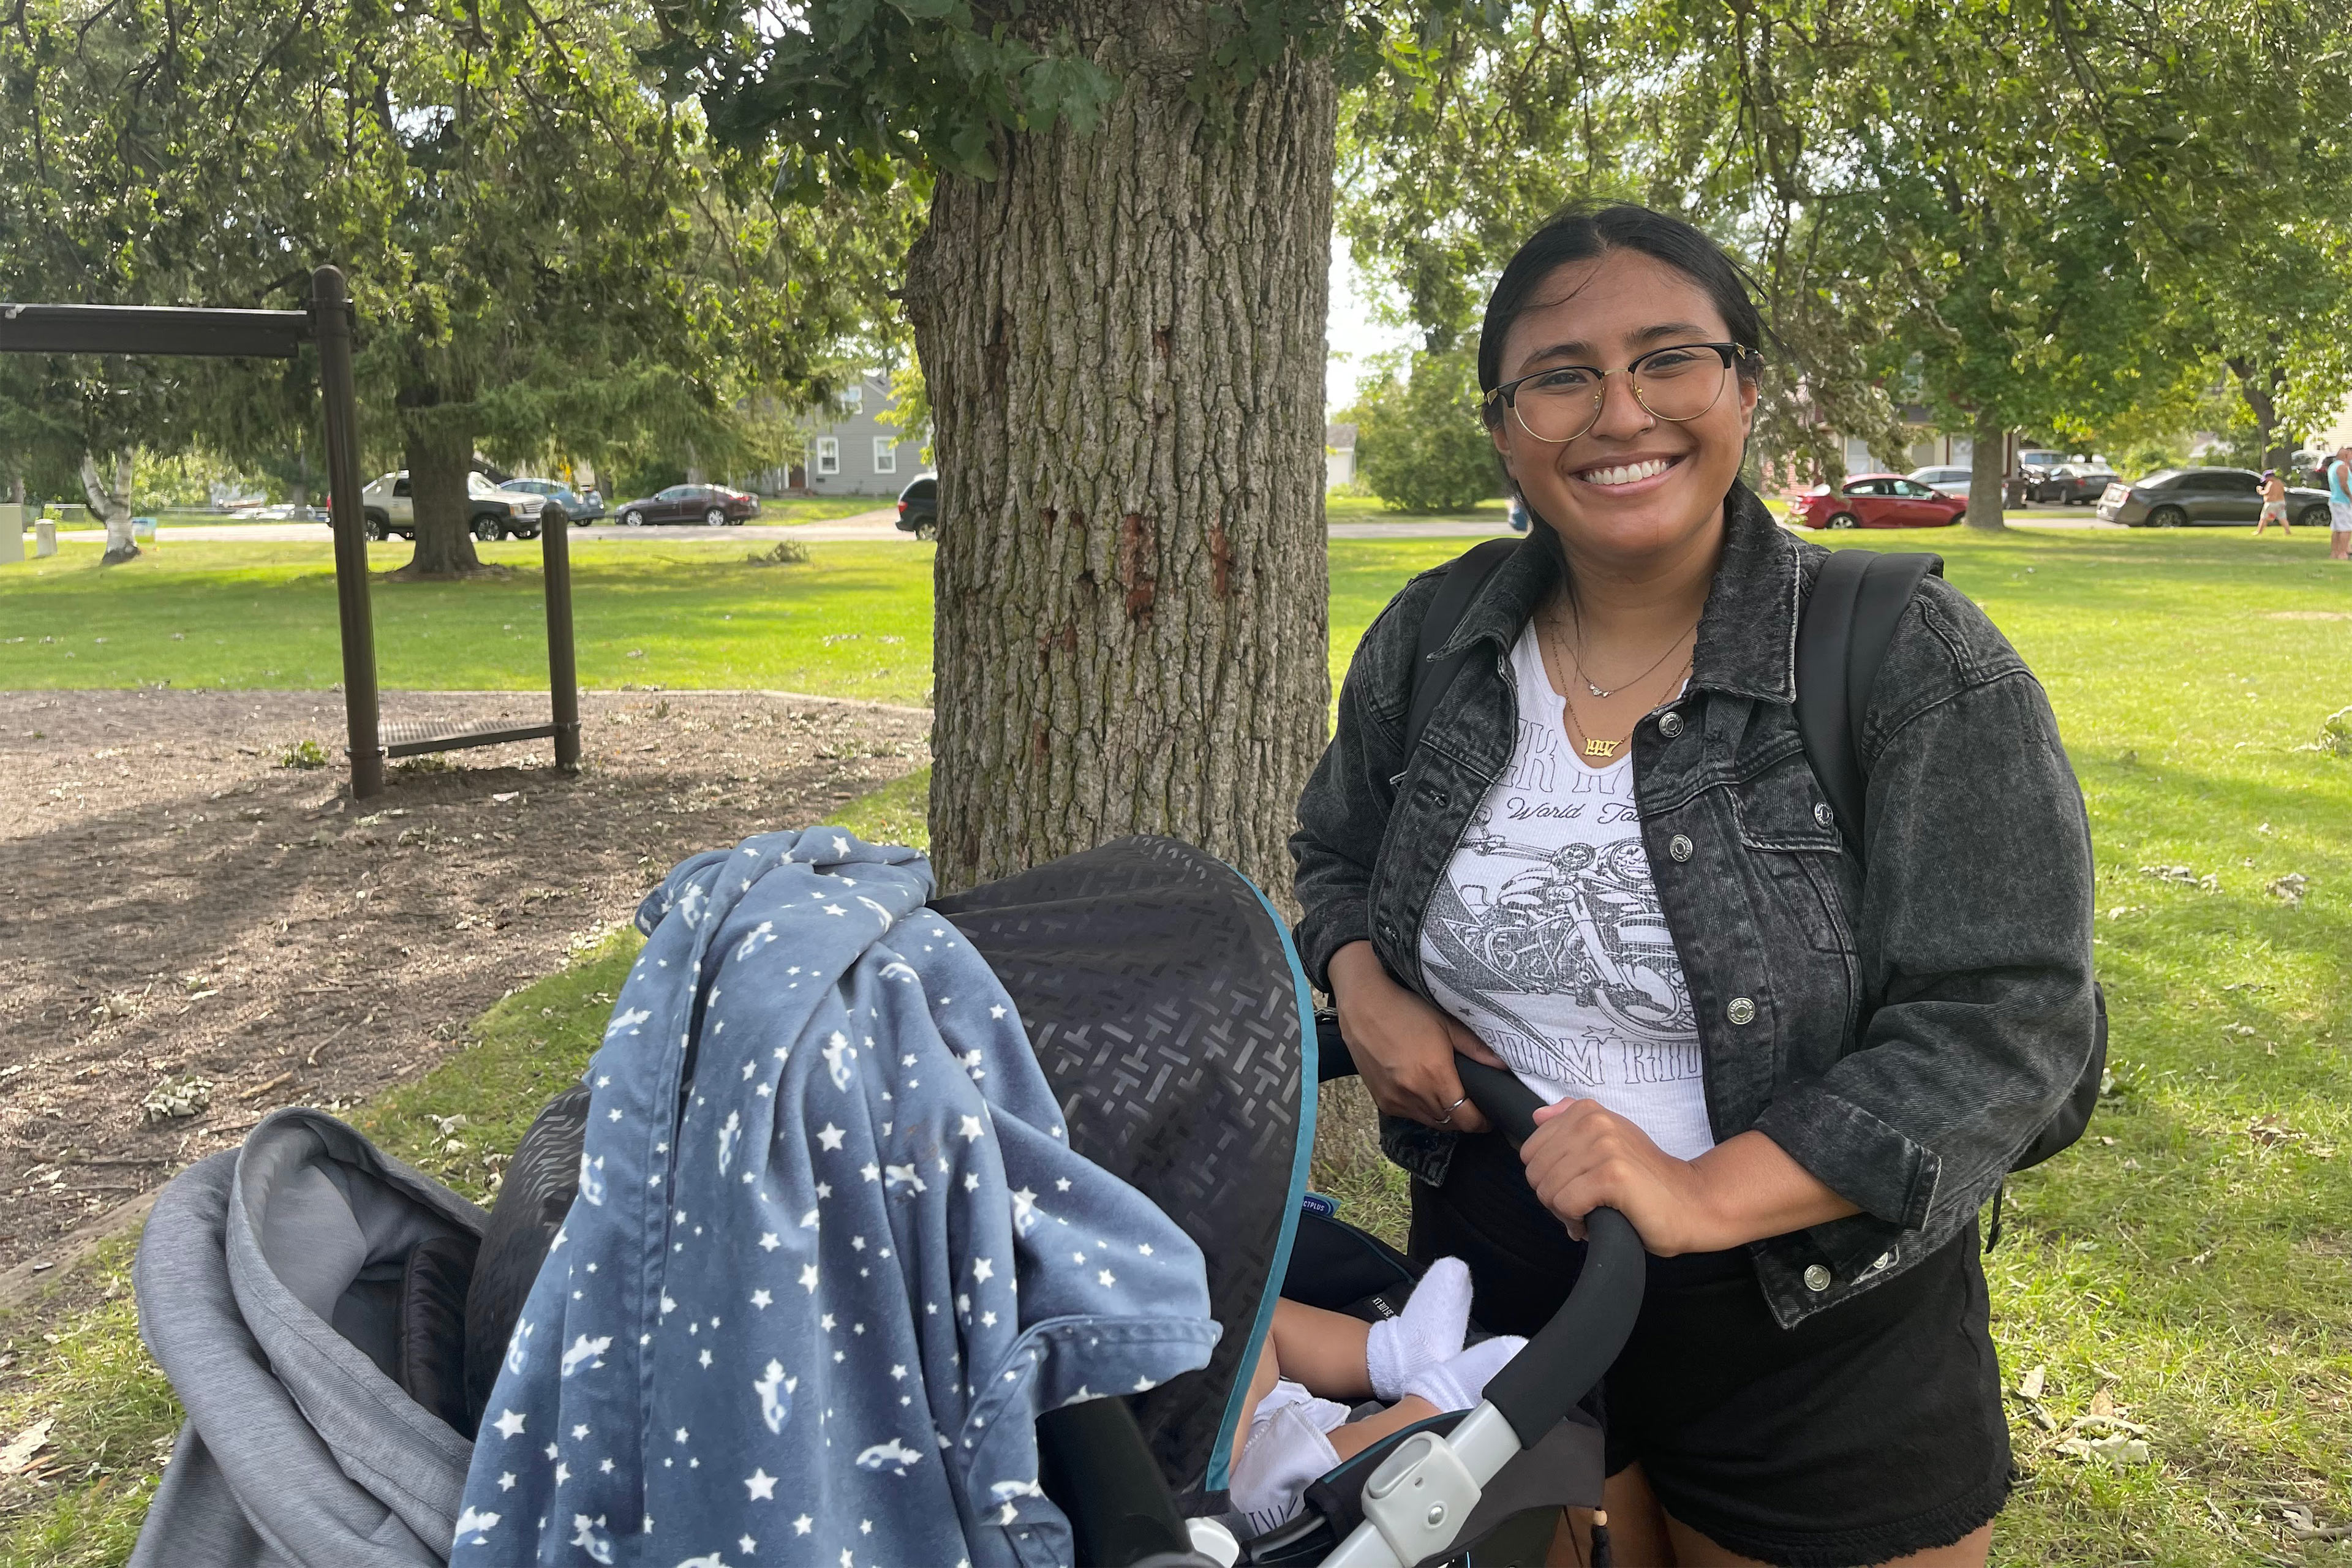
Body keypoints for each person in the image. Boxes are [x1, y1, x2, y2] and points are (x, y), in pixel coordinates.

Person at [1291, 202, 2096, 1567]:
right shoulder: (1436, 635)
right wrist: (1360, 979)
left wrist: (1704, 1193)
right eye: (1561, 376)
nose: (1622, 413)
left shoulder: (1910, 658)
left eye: (1670, 359)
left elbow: (2010, 1021)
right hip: (1502, 1296)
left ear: (1746, 389)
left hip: (1813, 1324)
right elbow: (1339, 851)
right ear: (1505, 428)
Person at [1226, 1259, 1526, 1535]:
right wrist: (1242, 1387)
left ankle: (1397, 1354)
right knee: (1304, 1460)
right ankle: (1434, 1407)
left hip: (1244, 1399)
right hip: (1235, 1491)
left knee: (1245, 1317)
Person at [2329, 445, 2352, 560]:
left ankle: (2335, 552)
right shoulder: (2342, 467)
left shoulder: (2333, 466)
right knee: (2346, 528)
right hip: (2343, 501)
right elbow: (2344, 485)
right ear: (2346, 456)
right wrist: (2350, 497)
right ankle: (2343, 553)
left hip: (2336, 500)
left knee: (2337, 529)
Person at [2256, 469, 2292, 537]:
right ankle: (2288, 531)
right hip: (2281, 503)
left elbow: (2267, 492)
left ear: (2269, 477)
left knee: (2263, 518)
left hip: (2271, 504)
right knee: (2282, 518)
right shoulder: (2280, 483)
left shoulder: (2271, 483)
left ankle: (2259, 532)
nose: (2266, 481)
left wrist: (2260, 491)